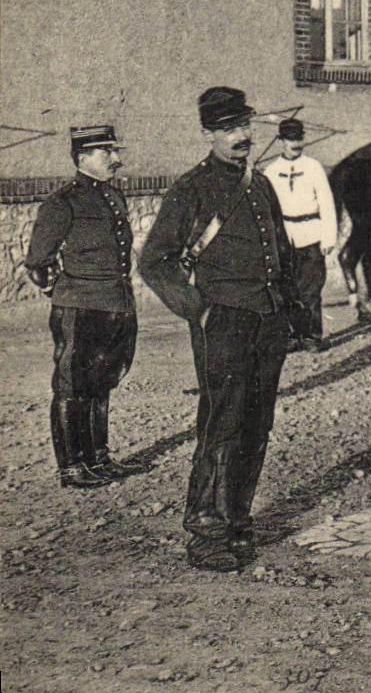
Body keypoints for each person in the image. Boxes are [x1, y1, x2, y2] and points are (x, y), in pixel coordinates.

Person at [140, 87, 297, 572]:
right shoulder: (192, 189)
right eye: (229, 129)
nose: (242, 136)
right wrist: (200, 311)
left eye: (245, 125)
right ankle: (206, 531)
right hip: (223, 320)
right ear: (208, 134)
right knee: (223, 423)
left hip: (267, 319)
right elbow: (154, 262)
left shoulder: (262, 183)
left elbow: (283, 250)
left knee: (257, 423)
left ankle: (238, 521)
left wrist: (290, 309)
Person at [25, 125, 141, 488]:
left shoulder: (113, 197)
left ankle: (98, 458)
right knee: (72, 385)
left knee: (102, 382)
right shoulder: (63, 202)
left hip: (115, 304)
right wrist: (64, 293)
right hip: (80, 307)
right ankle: (72, 466)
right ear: (83, 158)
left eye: (115, 152)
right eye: (108, 153)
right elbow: (38, 261)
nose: (117, 160)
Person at [264, 117, 338, 352]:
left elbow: (327, 203)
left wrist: (329, 237)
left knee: (311, 287)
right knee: (287, 288)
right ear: (281, 141)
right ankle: (293, 335)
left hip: (311, 234)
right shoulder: (272, 171)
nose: (295, 143)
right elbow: (268, 208)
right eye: (290, 139)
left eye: (298, 138)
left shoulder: (313, 167)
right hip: (285, 237)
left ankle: (313, 336)